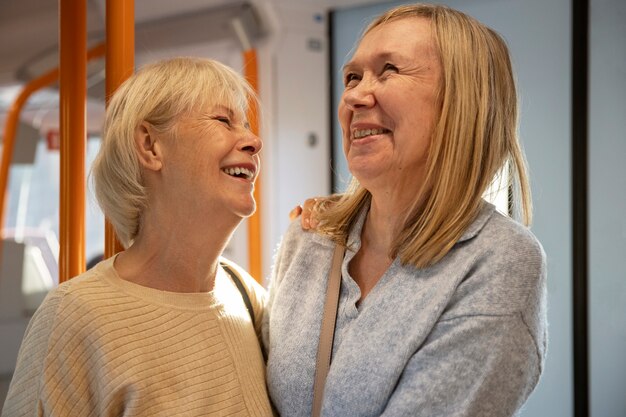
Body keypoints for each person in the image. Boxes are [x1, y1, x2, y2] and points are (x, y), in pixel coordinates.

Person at [263, 3, 547, 417]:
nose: (354, 96)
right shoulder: (309, 237)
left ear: (462, 101)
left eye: (389, 70)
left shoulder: (499, 261)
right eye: (352, 77)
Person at [2, 57, 273, 416]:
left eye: (248, 125)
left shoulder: (244, 292)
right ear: (150, 146)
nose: (254, 141)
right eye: (224, 120)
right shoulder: (75, 317)